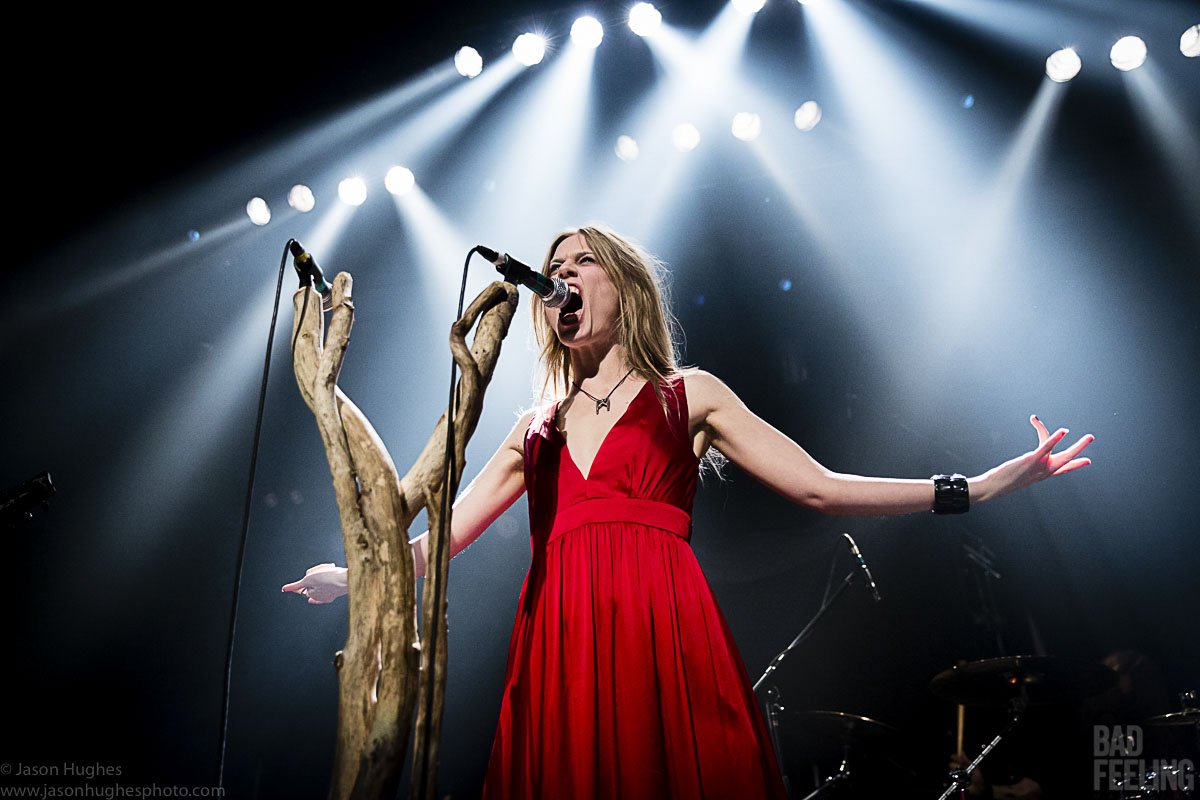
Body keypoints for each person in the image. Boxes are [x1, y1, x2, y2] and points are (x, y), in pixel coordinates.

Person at [283, 225, 1094, 799]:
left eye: (580, 260)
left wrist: (976, 487)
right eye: (553, 264)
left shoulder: (687, 395)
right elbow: (441, 538)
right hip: (559, 636)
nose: (560, 273)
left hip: (661, 627)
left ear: (623, 283)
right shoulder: (535, 427)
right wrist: (351, 576)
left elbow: (821, 486)